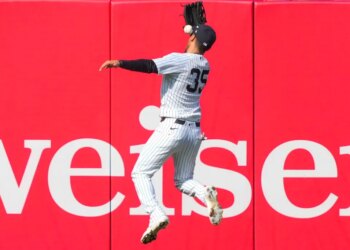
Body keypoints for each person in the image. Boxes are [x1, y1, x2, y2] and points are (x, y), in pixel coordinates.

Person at [99, 24, 223, 244]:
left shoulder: (180, 59)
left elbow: (149, 66)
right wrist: (197, 32)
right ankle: (206, 194)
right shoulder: (205, 64)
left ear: (193, 36)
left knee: (140, 173)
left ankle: (155, 214)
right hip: (193, 131)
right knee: (183, 180)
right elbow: (194, 51)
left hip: (172, 127)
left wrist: (120, 63)